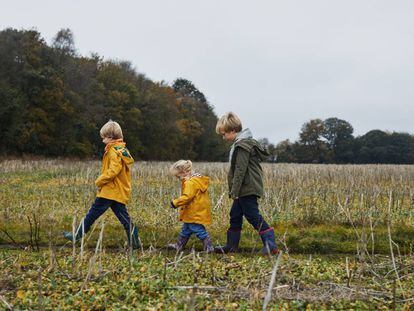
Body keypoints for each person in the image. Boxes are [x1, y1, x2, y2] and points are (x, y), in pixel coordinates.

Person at [63, 120, 140, 249]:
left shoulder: (113, 151)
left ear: (110, 137)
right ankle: (135, 239)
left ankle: (77, 235)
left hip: (110, 190)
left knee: (92, 213)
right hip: (117, 191)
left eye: (103, 137)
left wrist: (100, 180)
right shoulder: (122, 149)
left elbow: (114, 170)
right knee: (123, 216)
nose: (102, 139)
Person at [215, 112, 278, 254]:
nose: (223, 137)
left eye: (224, 134)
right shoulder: (240, 144)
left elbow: (240, 170)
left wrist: (234, 191)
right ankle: (231, 246)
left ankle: (271, 244)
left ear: (233, 131)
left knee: (252, 215)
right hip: (244, 188)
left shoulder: (242, 146)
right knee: (235, 214)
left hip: (247, 188)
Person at [168, 160, 213, 252]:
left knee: (198, 229)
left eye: (178, 176)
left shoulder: (189, 183)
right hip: (196, 210)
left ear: (184, 172)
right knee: (186, 229)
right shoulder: (196, 180)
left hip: (193, 211)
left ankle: (208, 247)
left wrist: (175, 203)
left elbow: (187, 197)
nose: (178, 178)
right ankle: (179, 245)